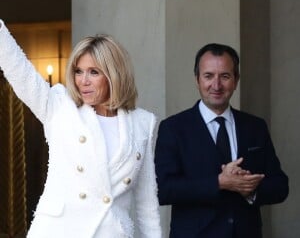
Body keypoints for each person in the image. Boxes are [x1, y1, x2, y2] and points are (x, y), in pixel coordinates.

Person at [0, 19, 162, 238]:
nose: (83, 81)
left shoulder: (143, 123)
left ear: (114, 75)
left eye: (93, 72)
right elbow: (19, 70)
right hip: (59, 232)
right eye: (78, 71)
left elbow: (146, 205)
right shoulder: (59, 106)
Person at [154, 43, 289, 238]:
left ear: (236, 80)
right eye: (208, 76)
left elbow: (280, 186)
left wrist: (249, 190)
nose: (216, 85)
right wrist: (219, 182)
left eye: (225, 76)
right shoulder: (173, 128)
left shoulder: (255, 126)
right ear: (197, 79)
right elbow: (164, 190)